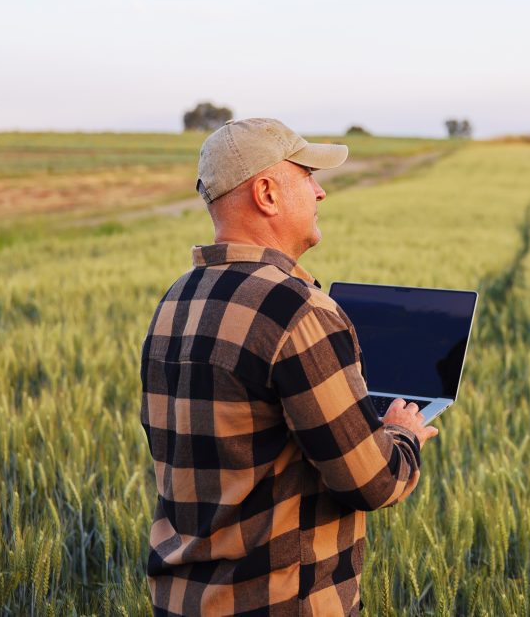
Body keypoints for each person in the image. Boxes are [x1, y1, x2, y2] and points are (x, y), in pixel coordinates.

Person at [140, 117, 437, 616]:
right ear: (267, 194)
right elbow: (373, 482)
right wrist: (401, 433)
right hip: (278, 604)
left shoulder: (176, 299)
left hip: (182, 603)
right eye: (307, 176)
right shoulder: (299, 310)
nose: (320, 192)